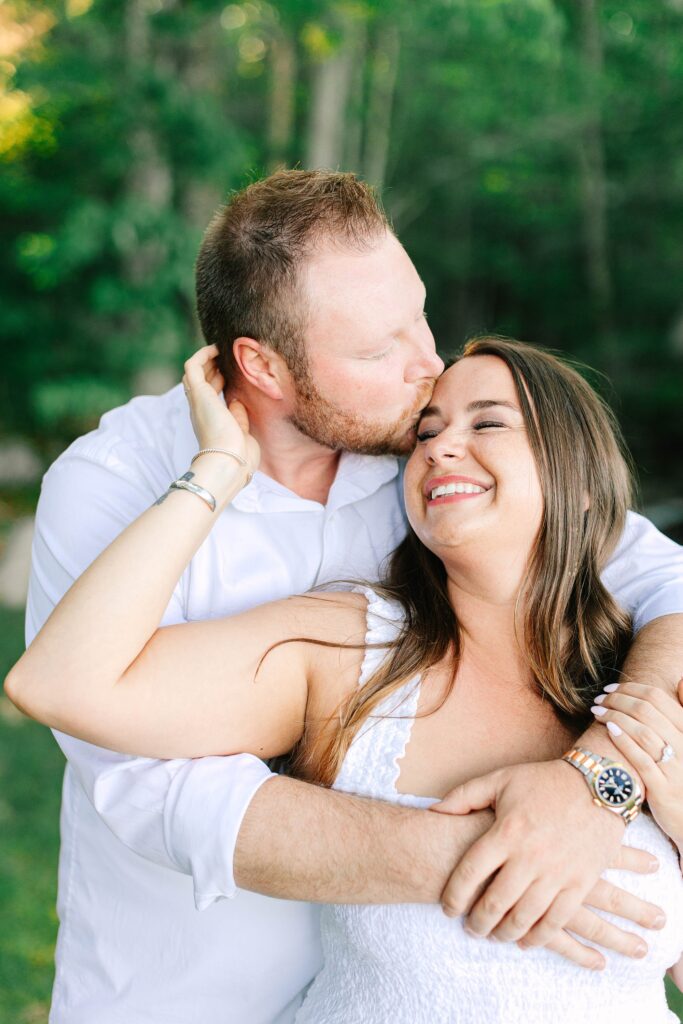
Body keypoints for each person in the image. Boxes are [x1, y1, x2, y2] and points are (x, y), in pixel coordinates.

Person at [18, 169, 683, 1024]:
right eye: (378, 350)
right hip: (188, 988)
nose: (427, 366)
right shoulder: (117, 485)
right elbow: (149, 783)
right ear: (262, 365)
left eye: (419, 314)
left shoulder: (426, 447)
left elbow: (658, 579)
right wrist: (496, 857)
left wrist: (597, 785)